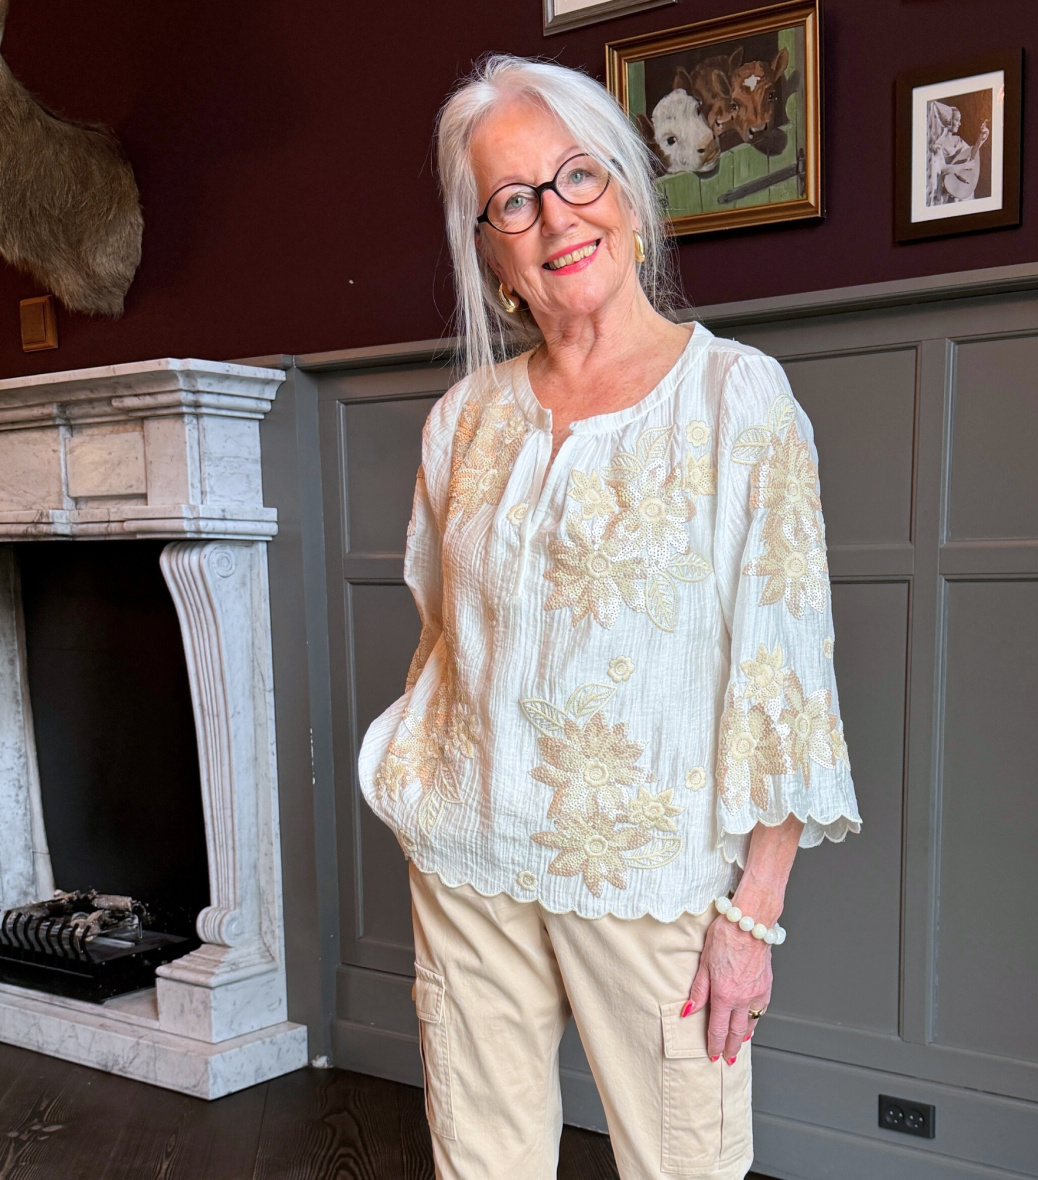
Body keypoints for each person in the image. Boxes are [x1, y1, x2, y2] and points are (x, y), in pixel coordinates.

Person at [358, 54, 861, 1180]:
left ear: (629, 195)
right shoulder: (463, 420)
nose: (554, 217)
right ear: (490, 251)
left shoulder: (736, 398)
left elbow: (782, 674)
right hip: (468, 856)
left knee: (684, 1165)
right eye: (513, 199)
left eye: (576, 176)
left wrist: (752, 915)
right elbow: (446, 628)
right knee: (478, 1163)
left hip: (649, 874)